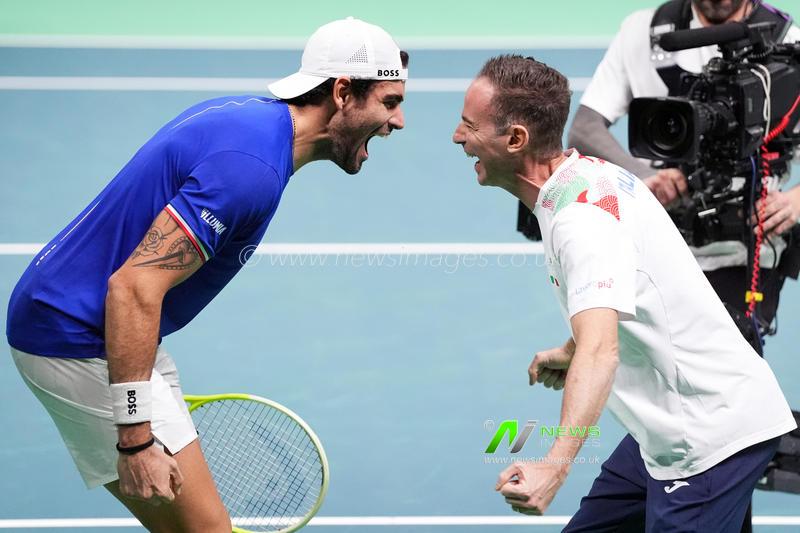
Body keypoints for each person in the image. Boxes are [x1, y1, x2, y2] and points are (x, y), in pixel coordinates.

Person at [6, 17, 407, 532]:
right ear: (343, 92)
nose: (398, 121)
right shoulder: (249, 170)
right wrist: (134, 436)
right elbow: (132, 288)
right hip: (73, 334)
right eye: (390, 103)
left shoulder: (255, 126)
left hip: (88, 317)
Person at [453, 54, 796, 531]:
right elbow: (628, 297)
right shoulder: (584, 177)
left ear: (515, 140)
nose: (457, 136)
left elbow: (602, 351)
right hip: (664, 430)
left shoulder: (581, 221)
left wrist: (554, 466)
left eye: (469, 125)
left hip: (706, 438)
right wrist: (573, 350)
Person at [567, 0, 800, 343]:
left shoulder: (787, 45)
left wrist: (797, 199)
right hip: (653, 243)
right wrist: (643, 180)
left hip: (744, 244)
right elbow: (584, 129)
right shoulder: (643, 32)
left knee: (727, 364)